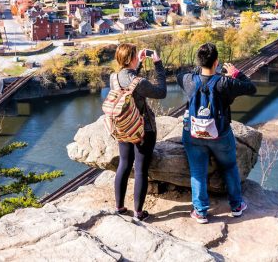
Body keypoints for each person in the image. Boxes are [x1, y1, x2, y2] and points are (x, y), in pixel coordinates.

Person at [177, 43, 257, 224]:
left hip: (194, 135)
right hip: (220, 134)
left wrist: (197, 69)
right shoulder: (225, 83)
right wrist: (236, 73)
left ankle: (201, 212)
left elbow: (178, 74)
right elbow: (251, 88)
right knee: (229, 167)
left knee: (198, 171)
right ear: (217, 62)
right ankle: (236, 206)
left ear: (199, 61)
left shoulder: (189, 80)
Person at [110, 42, 166, 221]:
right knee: (140, 169)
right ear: (132, 58)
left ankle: (119, 207)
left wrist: (138, 64)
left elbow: (130, 83)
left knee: (124, 164)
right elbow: (161, 92)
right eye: (136, 56)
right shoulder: (139, 82)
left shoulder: (113, 78)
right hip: (143, 130)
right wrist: (157, 63)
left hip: (123, 127)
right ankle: (138, 213)